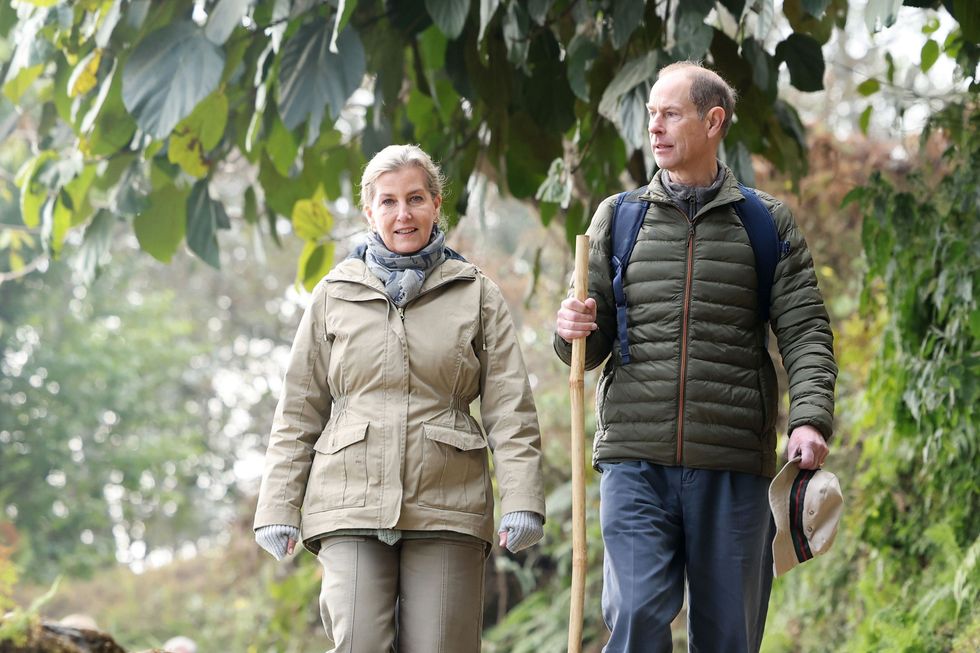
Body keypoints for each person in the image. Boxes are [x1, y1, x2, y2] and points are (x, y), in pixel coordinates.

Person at [554, 61, 837, 652]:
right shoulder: (618, 216)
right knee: (634, 617)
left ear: (714, 121)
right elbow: (588, 344)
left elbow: (805, 328)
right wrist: (571, 329)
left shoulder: (765, 222)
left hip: (733, 463)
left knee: (730, 638)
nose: (653, 128)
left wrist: (809, 416)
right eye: (651, 114)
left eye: (670, 114)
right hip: (636, 460)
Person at [254, 144, 546, 652]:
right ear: (370, 212)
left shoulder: (476, 293)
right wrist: (277, 505)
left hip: (448, 501)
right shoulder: (333, 294)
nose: (402, 213)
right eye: (387, 202)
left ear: (436, 205)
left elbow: (510, 411)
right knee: (359, 642)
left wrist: (522, 500)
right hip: (349, 499)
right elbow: (299, 411)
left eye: (415, 198)